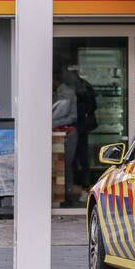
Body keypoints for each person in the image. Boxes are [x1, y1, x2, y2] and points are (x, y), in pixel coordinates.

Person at [52, 75, 78, 204]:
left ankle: (67, 196)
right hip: (63, 131)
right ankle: (65, 196)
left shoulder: (66, 93)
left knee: (65, 165)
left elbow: (69, 116)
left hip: (68, 133)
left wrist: (50, 123)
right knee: (62, 166)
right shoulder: (58, 92)